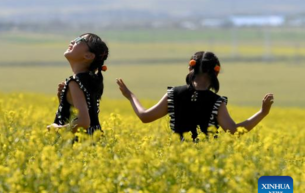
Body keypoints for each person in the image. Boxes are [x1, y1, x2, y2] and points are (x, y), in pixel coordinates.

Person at [116, 51, 274, 140]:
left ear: (191, 69)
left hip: (177, 161)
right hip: (206, 165)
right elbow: (233, 130)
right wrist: (263, 112)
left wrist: (130, 96)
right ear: (215, 73)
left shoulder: (173, 94)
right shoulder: (217, 102)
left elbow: (145, 116)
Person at [47, 33, 109, 134]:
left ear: (88, 56)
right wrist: (64, 99)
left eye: (79, 40)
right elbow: (84, 114)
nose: (72, 41)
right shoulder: (91, 80)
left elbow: (84, 122)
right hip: (91, 143)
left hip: (78, 145)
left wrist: (57, 129)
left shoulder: (75, 83)